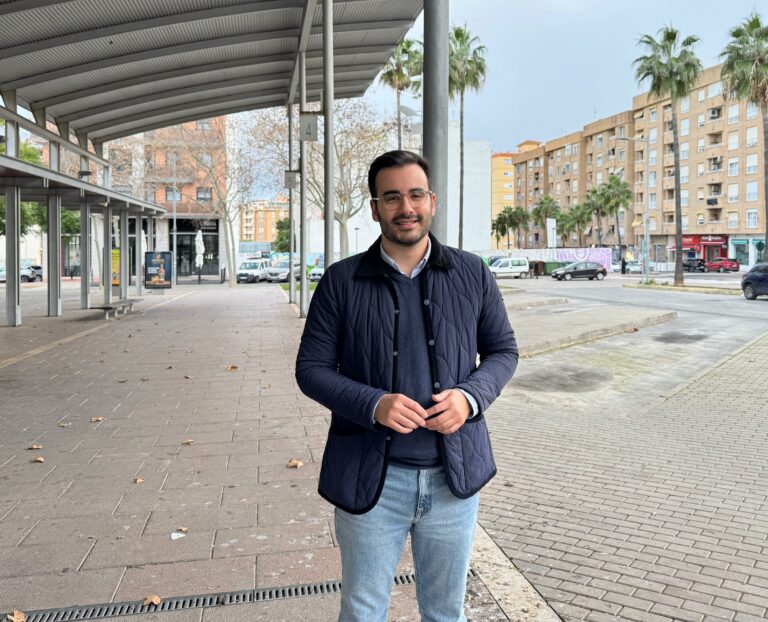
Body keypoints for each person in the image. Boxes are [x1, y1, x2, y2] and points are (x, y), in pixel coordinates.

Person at [295, 150, 518, 622]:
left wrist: (470, 399)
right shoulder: (341, 281)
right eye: (392, 197)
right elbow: (311, 368)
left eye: (416, 195)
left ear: (432, 201)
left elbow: (503, 352)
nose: (406, 207)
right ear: (375, 208)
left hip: (453, 479)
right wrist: (373, 403)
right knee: (362, 612)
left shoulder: (472, 272)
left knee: (445, 614)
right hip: (371, 479)